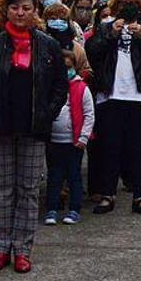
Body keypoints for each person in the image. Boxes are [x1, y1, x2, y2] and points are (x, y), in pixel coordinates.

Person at [0, 0, 67, 273]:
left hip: (34, 128)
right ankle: (1, 247)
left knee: (27, 190)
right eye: (15, 8)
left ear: (35, 11)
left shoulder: (47, 45)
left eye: (26, 8)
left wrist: (49, 113)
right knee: (2, 191)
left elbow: (60, 85)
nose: (20, 13)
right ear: (6, 11)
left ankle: (23, 249)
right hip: (1, 128)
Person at [85, 0, 141, 217]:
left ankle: (140, 196)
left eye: (132, 2)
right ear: (115, 6)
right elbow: (93, 52)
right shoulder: (104, 27)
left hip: (139, 96)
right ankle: (107, 194)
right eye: (123, 2)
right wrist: (111, 34)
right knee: (110, 147)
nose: (127, 6)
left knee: (139, 149)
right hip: (110, 95)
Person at [44, 47, 95, 226]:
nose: (66, 71)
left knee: (74, 176)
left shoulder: (82, 88)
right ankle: (52, 208)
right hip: (54, 141)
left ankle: (74, 209)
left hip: (74, 142)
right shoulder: (51, 89)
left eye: (69, 67)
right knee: (54, 176)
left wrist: (83, 137)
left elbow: (89, 114)